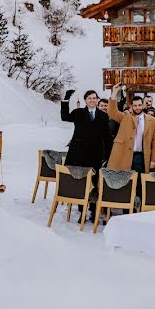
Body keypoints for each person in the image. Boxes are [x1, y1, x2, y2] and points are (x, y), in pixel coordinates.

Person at [61, 88, 111, 221]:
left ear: (97, 99)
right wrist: (66, 99)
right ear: (85, 100)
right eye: (89, 98)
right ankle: (82, 211)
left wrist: (108, 155)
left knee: (95, 183)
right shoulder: (78, 113)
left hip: (95, 155)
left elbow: (107, 137)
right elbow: (64, 117)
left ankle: (93, 212)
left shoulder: (103, 116)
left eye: (94, 98)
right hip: (79, 154)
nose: (92, 100)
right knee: (81, 182)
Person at [107, 87, 155, 173]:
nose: (137, 108)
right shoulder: (125, 117)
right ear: (131, 106)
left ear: (143, 105)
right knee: (126, 183)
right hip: (125, 155)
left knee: (139, 183)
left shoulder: (152, 120)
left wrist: (154, 159)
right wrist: (114, 94)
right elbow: (112, 111)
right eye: (135, 106)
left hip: (141, 156)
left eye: (139, 105)